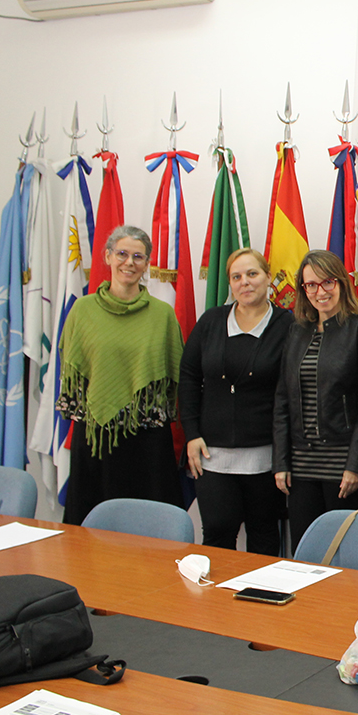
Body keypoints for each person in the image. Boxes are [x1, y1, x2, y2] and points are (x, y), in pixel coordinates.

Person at [57, 225, 184, 525]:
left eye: (138, 256)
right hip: (96, 436)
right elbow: (73, 370)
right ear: (108, 256)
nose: (129, 262)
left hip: (148, 439)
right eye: (123, 254)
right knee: (90, 529)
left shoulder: (162, 314)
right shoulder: (83, 310)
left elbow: (175, 376)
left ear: (147, 263)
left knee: (149, 528)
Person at [180, 248, 293, 554]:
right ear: (230, 283)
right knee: (217, 533)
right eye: (237, 277)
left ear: (269, 277)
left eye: (252, 274)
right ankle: (214, 602)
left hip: (266, 458)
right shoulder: (211, 322)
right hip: (212, 455)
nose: (245, 282)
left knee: (265, 535)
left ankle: (261, 599)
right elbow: (189, 378)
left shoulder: (288, 325)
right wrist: (191, 434)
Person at [273, 250, 358, 551]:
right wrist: (281, 462)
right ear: (303, 290)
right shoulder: (296, 332)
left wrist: (356, 465)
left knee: (345, 553)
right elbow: (283, 399)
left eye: (327, 282)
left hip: (342, 467)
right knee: (306, 553)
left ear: (342, 283)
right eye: (311, 285)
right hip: (301, 466)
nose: (320, 292)